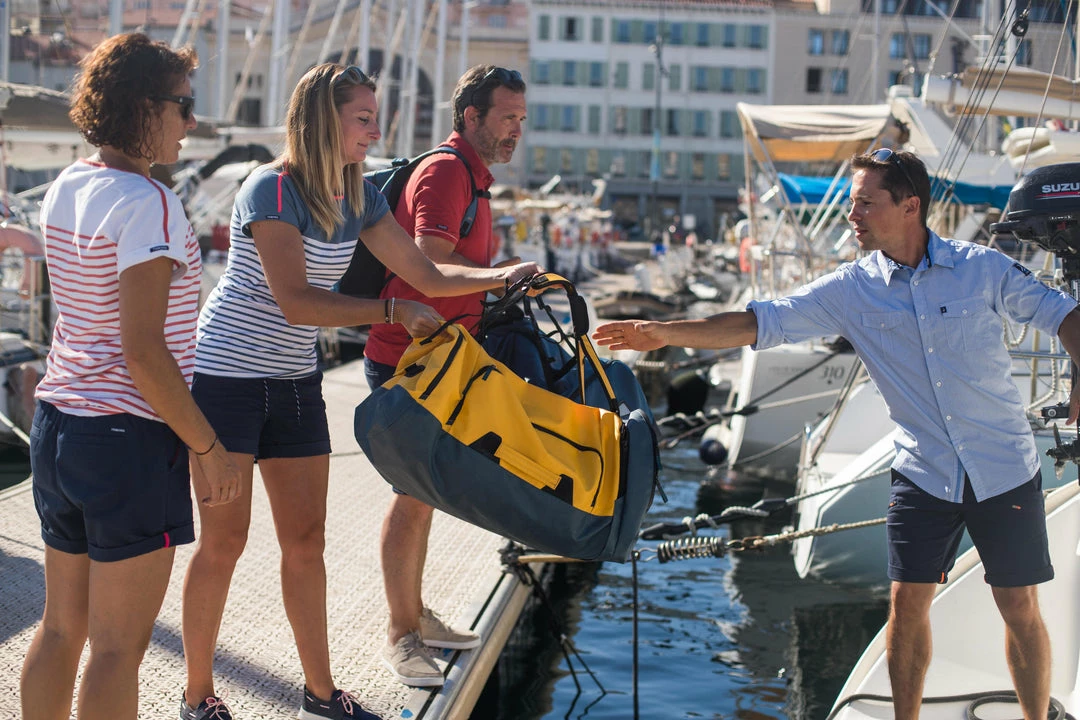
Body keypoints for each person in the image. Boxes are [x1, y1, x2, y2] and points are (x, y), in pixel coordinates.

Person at [593, 149, 1080, 720]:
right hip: (923, 471)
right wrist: (661, 332)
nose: (853, 214)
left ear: (909, 206)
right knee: (905, 606)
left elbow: (1066, 316)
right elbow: (758, 322)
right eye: (852, 202)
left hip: (1003, 467)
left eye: (865, 203)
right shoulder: (850, 289)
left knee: (1018, 606)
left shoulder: (983, 268)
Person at [178, 62, 538, 720]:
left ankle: (320, 693)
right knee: (225, 543)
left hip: (293, 383)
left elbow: (424, 270)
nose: (377, 131)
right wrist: (391, 314)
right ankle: (197, 694)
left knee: (307, 542)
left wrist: (502, 278)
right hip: (227, 379)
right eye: (364, 119)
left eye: (377, 118)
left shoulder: (360, 195)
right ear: (322, 119)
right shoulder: (272, 189)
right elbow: (296, 301)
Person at [20, 33, 241, 720]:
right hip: (126, 442)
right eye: (182, 105)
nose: (192, 120)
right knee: (118, 648)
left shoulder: (69, 184)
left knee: (61, 628)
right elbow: (144, 352)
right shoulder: (148, 203)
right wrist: (207, 447)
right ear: (144, 108)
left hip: (58, 426)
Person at [362, 64, 528, 687]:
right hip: (409, 358)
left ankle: (415, 614)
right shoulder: (446, 171)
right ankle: (400, 636)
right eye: (506, 117)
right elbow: (430, 260)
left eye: (520, 118)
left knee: (425, 493)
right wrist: (502, 275)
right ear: (471, 117)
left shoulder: (475, 177)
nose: (516, 129)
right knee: (411, 495)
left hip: (445, 356)